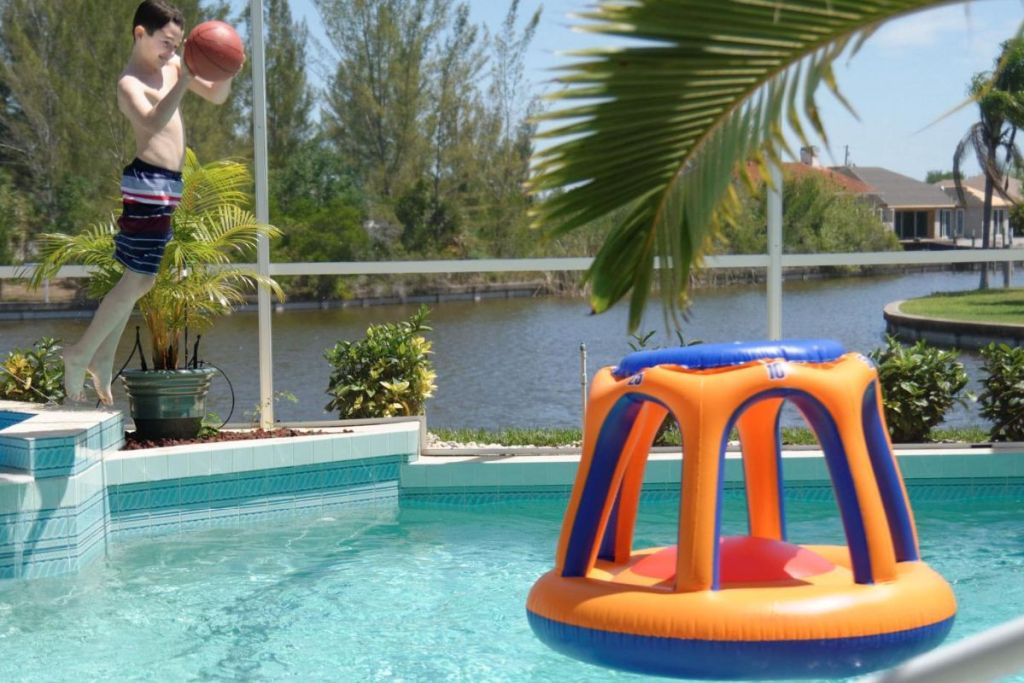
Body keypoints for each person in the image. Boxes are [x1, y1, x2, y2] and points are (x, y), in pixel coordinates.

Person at [63, 0, 240, 405]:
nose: (171, 53)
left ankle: (102, 358)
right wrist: (184, 76)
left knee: (136, 277)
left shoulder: (174, 67)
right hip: (147, 184)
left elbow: (215, 96)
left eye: (177, 45)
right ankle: (80, 354)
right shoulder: (129, 82)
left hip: (167, 186)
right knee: (139, 279)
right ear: (140, 34)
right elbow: (152, 121)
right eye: (165, 43)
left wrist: (227, 69)